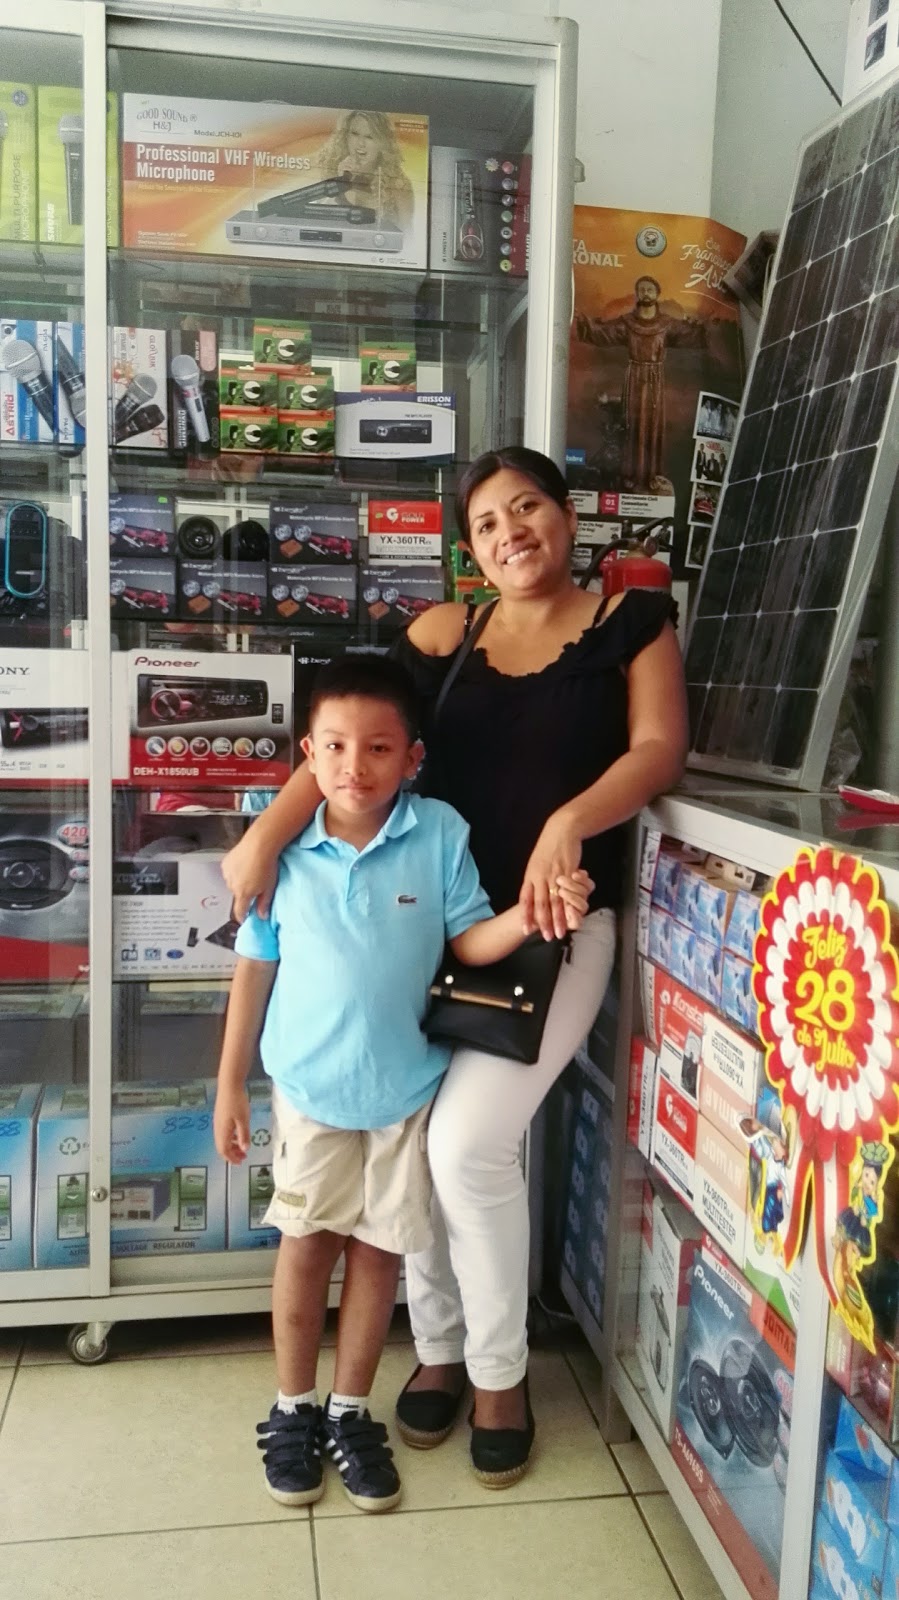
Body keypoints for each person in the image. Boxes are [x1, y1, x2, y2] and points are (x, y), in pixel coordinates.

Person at [221, 445, 688, 1487]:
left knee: (466, 1143)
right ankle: (435, 1347)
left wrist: (568, 823)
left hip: (551, 926)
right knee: (413, 1129)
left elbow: (657, 749)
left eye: (526, 507)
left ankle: (497, 1373)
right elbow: (349, 734)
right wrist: (266, 834)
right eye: (485, 522)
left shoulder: (630, 624)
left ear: (566, 516)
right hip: (419, 929)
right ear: (469, 548)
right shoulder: (447, 633)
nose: (509, 532)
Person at [214, 652, 589, 1513]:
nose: (356, 766)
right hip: (310, 1094)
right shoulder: (281, 853)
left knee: (380, 1253)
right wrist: (229, 1083)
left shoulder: (440, 833)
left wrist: (530, 916)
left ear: (412, 758)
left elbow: (466, 944)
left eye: (379, 748)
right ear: (308, 754)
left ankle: (349, 1412)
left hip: (405, 1094)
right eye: (336, 746)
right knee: (306, 1248)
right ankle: (293, 1407)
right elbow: (253, 971)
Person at [575, 276, 705, 492]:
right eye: (642, 289)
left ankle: (653, 476)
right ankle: (630, 476)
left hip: (655, 381)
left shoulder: (667, 324)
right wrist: (584, 322)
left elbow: (689, 334)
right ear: (637, 294)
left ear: (657, 294)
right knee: (632, 425)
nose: (646, 293)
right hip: (634, 378)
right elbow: (604, 332)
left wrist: (700, 328)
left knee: (653, 426)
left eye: (650, 289)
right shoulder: (627, 323)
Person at [315, 110, 414, 231]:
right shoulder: (332, 168)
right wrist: (340, 182)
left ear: (382, 143)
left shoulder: (398, 183)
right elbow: (319, 219)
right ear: (346, 136)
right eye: (355, 134)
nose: (360, 143)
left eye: (369, 137)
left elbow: (407, 232)